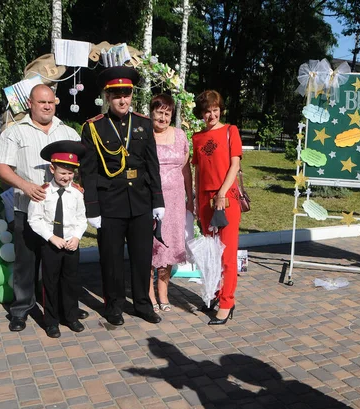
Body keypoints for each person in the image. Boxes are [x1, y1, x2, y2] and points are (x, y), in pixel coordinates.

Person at [0, 84, 87, 332]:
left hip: (61, 214)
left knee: (60, 265)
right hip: (28, 207)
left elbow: (78, 165)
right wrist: (26, 186)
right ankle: (21, 310)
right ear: (30, 104)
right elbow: (1, 166)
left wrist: (76, 184)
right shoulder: (16, 132)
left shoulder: (67, 131)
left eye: (51, 102)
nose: (47, 106)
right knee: (27, 263)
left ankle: (66, 308)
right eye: (41, 102)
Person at [79, 66, 165, 326]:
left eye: (126, 94)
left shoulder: (143, 124)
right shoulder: (94, 128)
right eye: (117, 95)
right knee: (111, 258)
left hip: (140, 202)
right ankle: (114, 305)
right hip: (110, 203)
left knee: (141, 257)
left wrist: (158, 201)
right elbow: (89, 171)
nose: (122, 100)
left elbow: (152, 165)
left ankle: (142, 304)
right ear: (107, 97)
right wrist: (92, 207)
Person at [28, 140, 88, 338]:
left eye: (71, 173)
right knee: (50, 283)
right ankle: (51, 321)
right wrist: (51, 237)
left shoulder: (77, 193)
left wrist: (77, 237)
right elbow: (34, 219)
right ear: (52, 169)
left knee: (71, 281)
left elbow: (81, 219)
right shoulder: (42, 192)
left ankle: (71, 316)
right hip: (51, 245)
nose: (67, 177)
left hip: (71, 244)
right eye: (63, 173)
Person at [192, 90, 242, 325]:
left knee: (227, 253)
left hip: (226, 198)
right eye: (207, 111)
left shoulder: (231, 131)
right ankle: (211, 293)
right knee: (210, 252)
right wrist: (195, 199)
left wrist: (221, 193)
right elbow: (198, 171)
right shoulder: (197, 137)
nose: (212, 114)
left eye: (215, 109)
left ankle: (227, 302)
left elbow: (234, 165)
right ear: (201, 113)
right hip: (205, 200)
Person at [149, 94, 193, 312]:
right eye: (159, 112)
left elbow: (186, 169)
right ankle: (149, 294)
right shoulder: (145, 135)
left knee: (167, 246)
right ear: (152, 113)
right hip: (150, 200)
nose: (163, 117)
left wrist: (190, 198)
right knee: (150, 247)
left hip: (175, 201)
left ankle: (163, 293)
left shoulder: (180, 135)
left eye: (167, 113)